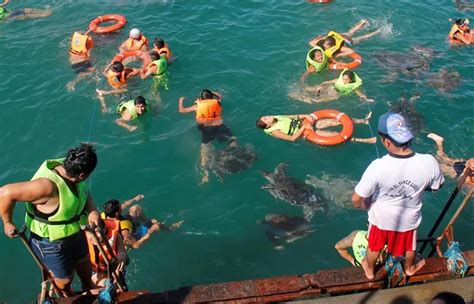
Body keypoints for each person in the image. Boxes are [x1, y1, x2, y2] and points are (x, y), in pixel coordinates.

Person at [352, 112, 444, 280]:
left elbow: (356, 199)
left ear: (387, 142)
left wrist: (364, 205)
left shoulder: (377, 166)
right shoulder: (429, 161)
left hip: (381, 219)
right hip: (409, 219)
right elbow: (437, 186)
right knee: (410, 244)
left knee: (374, 246)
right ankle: (409, 268)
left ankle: (370, 271)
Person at [0, 144, 100, 295]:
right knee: (65, 279)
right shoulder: (45, 187)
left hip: (75, 232)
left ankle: (89, 287)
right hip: (50, 242)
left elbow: (84, 193)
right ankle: (68, 295)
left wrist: (93, 212)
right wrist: (7, 222)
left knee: (85, 264)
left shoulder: (73, 172)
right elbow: (5, 192)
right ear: (82, 176)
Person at [178, 89, 237, 184]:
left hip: (207, 130)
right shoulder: (218, 102)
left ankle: (205, 174)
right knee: (233, 141)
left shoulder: (197, 106)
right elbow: (219, 96)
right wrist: (213, 93)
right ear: (212, 97)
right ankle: (227, 155)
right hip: (220, 126)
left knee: (205, 151)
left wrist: (181, 100)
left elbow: (181, 110)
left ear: (201, 99)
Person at [256, 112, 376, 144]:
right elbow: (292, 139)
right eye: (265, 119)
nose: (267, 116)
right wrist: (304, 128)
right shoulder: (275, 131)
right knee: (334, 134)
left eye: (265, 116)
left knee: (335, 121)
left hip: (306, 123)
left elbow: (294, 116)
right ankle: (366, 140)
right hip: (305, 133)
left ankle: (363, 121)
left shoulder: (277, 117)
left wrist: (305, 115)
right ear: (267, 126)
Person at [309, 19, 380, 59]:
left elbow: (351, 51)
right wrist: (317, 47)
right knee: (351, 31)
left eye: (327, 46)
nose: (325, 46)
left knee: (363, 37)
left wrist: (338, 55)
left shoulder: (339, 48)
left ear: (332, 45)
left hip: (348, 41)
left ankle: (377, 32)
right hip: (342, 36)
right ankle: (363, 23)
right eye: (325, 44)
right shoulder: (323, 42)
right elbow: (311, 42)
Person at [301, 69, 374, 103]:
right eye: (343, 79)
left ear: (351, 80)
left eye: (346, 80)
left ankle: (309, 99)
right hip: (332, 88)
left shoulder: (353, 87)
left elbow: (360, 94)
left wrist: (367, 99)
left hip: (337, 94)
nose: (344, 81)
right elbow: (327, 82)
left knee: (320, 100)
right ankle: (305, 89)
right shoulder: (338, 80)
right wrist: (321, 85)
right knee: (311, 89)